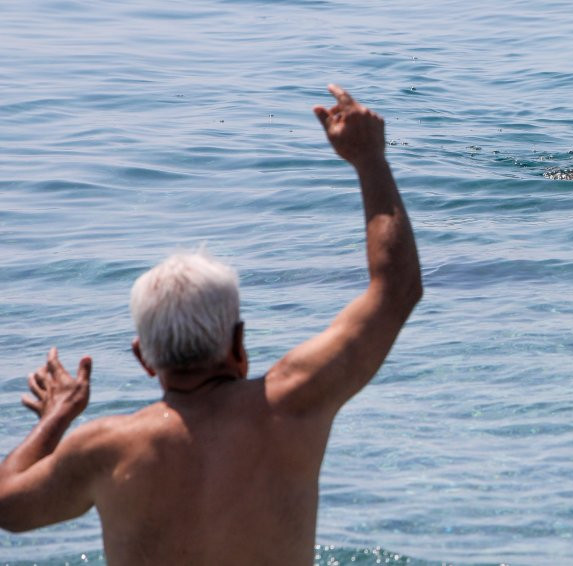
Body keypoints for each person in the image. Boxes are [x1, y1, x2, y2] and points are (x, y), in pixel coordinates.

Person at [0, 85, 422, 565]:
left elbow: (8, 507)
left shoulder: (104, 448)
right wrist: (369, 160)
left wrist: (58, 415)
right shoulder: (294, 401)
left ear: (143, 358)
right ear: (238, 342)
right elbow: (395, 290)